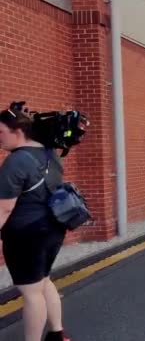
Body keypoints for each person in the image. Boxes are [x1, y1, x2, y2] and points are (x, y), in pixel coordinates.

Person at [0, 107, 71, 341]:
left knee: (31, 293)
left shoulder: (16, 161)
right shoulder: (51, 154)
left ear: (17, 131)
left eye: (1, 132)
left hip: (26, 235)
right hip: (53, 228)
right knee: (43, 282)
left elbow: (5, 207)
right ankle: (57, 334)